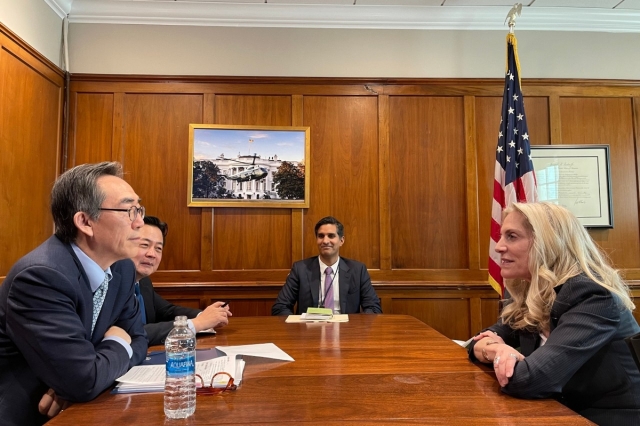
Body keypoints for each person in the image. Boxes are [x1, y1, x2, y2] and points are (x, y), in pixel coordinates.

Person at [0, 162, 148, 425]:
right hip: (32, 414)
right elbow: (84, 379)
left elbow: (138, 339)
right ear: (85, 221)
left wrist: (81, 382)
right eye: (129, 210)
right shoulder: (40, 277)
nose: (140, 222)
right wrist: (113, 346)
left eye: (140, 209)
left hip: (78, 405)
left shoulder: (122, 268)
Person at [468, 202, 640, 425]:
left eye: (511, 236)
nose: (499, 247)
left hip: (605, 417)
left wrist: (496, 351)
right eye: (501, 236)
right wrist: (497, 349)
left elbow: (531, 379)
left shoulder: (592, 295)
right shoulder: (531, 291)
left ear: (547, 243)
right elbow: (476, 342)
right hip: (557, 410)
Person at [132, 215, 231, 345]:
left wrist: (206, 315)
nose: (152, 254)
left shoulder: (143, 282)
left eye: (158, 248)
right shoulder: (112, 284)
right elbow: (132, 335)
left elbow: (168, 311)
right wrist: (198, 323)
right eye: (144, 245)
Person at [272, 216, 382, 315]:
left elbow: (373, 308)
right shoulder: (300, 269)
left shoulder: (357, 270)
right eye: (321, 236)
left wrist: (354, 327)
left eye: (331, 236)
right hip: (309, 332)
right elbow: (280, 307)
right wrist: (298, 329)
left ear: (341, 240)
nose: (325, 241)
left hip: (346, 332)